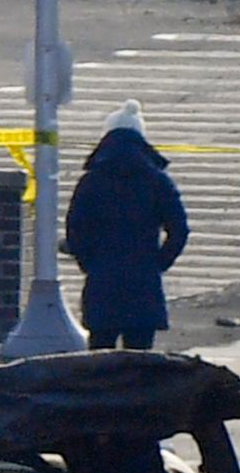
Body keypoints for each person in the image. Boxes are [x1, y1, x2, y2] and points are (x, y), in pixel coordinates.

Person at [64, 100, 190, 351]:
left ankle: (101, 392)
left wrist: (89, 262)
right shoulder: (157, 181)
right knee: (139, 363)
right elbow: (179, 230)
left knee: (100, 360)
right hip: (143, 280)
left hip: (102, 278)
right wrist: (158, 263)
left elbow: (75, 230)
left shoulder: (91, 181)